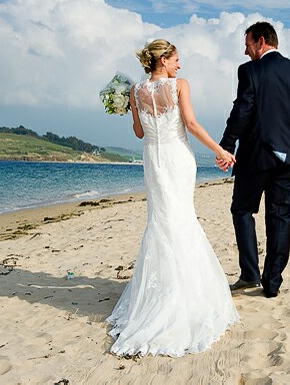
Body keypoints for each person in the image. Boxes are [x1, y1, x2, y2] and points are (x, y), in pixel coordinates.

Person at [106, 39, 239, 357]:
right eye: (176, 59)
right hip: (178, 157)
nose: (180, 65)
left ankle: (162, 291)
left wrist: (132, 112)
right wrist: (220, 150)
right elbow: (190, 124)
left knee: (162, 220)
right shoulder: (180, 85)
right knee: (180, 219)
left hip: (153, 158)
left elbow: (139, 133)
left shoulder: (135, 91)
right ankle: (183, 295)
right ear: (163, 60)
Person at [218, 22, 290, 298]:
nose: (245, 50)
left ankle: (250, 274)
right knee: (280, 216)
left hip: (256, 155)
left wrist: (227, 145)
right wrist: (285, 126)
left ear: (261, 42)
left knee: (242, 210)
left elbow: (243, 111)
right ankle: (272, 282)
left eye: (248, 44)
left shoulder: (250, 71)